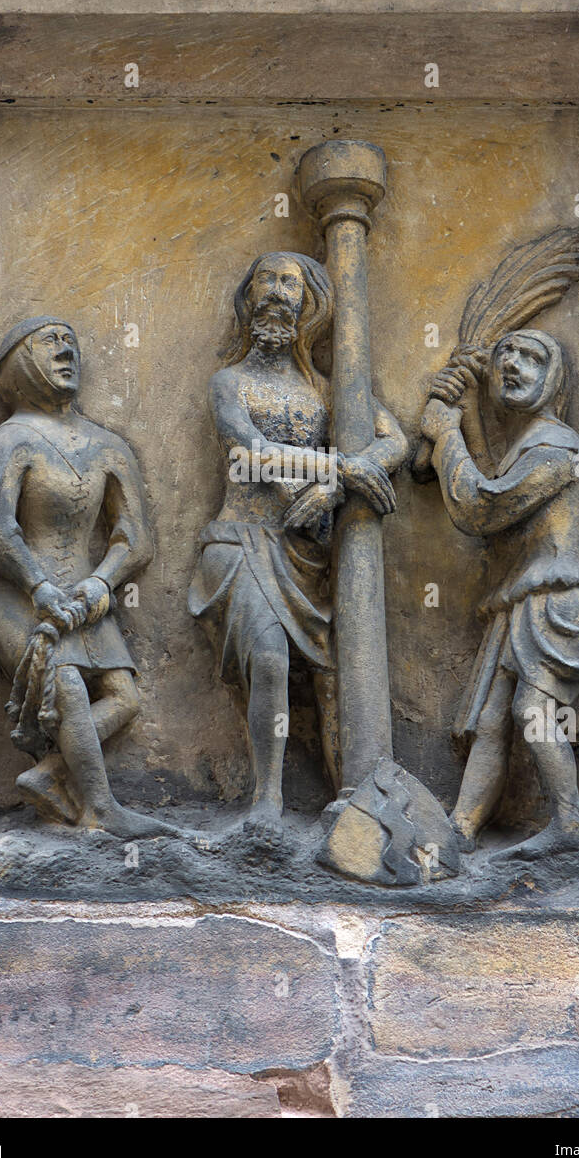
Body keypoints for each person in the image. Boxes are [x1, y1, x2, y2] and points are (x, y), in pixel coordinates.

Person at [189, 251, 408, 838]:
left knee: (334, 676)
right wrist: (341, 467)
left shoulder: (326, 391)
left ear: (309, 305)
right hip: (242, 542)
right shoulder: (228, 382)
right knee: (269, 660)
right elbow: (249, 452)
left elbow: (394, 442)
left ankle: (355, 805)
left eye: (291, 283)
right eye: (266, 280)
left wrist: (335, 487)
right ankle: (266, 800)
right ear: (248, 296)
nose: (277, 293)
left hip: (306, 554)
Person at [0, 316, 180, 841]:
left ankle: (49, 775)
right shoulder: (12, 438)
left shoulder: (108, 446)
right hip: (21, 599)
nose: (66, 350)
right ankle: (101, 809)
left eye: (71, 341)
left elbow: (135, 538)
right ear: (20, 362)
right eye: (50, 342)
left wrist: (101, 584)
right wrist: (40, 589)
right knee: (66, 686)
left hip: (87, 600)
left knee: (126, 699)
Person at [415, 328, 579, 869]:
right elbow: (483, 476)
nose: (514, 365)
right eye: (506, 356)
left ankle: (572, 829)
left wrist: (446, 433)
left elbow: (483, 507)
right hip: (523, 602)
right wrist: (455, 421)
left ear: (555, 379)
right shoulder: (523, 445)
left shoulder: (558, 446)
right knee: (492, 719)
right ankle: (462, 830)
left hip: (559, 603)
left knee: (530, 710)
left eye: (531, 358)